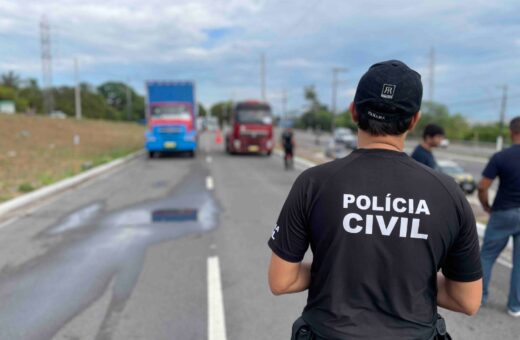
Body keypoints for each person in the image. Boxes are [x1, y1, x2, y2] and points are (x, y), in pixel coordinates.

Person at [268, 60, 482, 340]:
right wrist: (405, 283)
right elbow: (467, 299)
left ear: (354, 111)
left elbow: (281, 280)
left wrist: (336, 274)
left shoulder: (313, 183)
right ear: (414, 119)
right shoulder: (448, 193)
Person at [478, 116, 520, 317]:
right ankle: (514, 306)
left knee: (486, 256)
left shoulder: (501, 156)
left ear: (512, 132)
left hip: (503, 211)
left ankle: (479, 298)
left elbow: (482, 186)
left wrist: (486, 206)